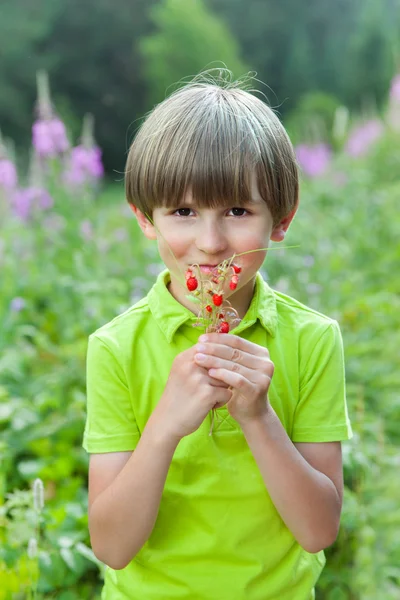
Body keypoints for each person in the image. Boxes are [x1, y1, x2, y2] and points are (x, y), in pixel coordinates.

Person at [83, 71, 352, 600]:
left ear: (282, 219)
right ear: (145, 219)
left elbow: (319, 531)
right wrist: (163, 427)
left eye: (237, 211)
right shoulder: (115, 348)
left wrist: (258, 416)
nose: (210, 243)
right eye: (183, 212)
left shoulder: (313, 339)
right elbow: (112, 547)